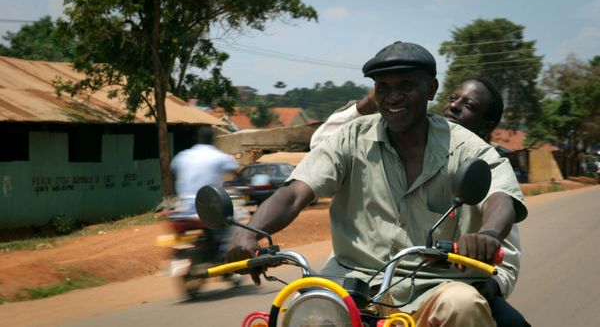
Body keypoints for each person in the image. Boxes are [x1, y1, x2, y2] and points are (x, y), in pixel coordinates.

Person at [226, 41, 527, 327]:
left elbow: (499, 198)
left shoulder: (466, 146)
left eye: (406, 86)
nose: (393, 97)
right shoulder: (350, 137)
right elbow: (294, 192)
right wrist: (250, 231)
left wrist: (487, 235)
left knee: (463, 304)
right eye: (383, 87)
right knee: (304, 312)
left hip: (434, 286)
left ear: (431, 89)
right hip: (349, 283)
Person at [310, 78, 502, 149]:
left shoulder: (486, 167)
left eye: (468, 105)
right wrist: (369, 103)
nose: (453, 106)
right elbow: (319, 143)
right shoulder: (414, 142)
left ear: (486, 127)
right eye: (452, 99)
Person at [171, 126, 240, 251]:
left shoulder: (183, 155)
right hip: (208, 210)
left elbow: (174, 168)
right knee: (234, 224)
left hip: (183, 210)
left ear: (198, 139)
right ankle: (226, 255)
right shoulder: (219, 156)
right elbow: (236, 170)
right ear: (213, 139)